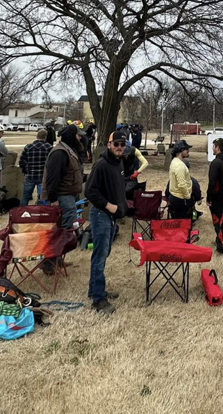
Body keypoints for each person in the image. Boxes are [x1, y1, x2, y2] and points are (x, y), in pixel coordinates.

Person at [85, 130, 129, 314]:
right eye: (116, 144)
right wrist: (109, 206)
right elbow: (90, 192)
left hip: (111, 216)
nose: (119, 147)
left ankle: (94, 289)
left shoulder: (119, 163)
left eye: (122, 144)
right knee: (100, 255)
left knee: (105, 252)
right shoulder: (101, 165)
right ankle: (98, 300)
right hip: (101, 214)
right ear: (109, 145)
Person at [43, 127, 84, 230]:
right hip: (63, 196)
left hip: (69, 195)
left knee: (69, 224)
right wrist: (53, 199)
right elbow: (52, 178)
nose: (80, 138)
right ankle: (63, 244)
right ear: (72, 136)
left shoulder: (69, 151)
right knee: (66, 227)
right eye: (78, 136)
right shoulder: (59, 153)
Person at [19, 129, 52, 205]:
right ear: (45, 137)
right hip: (43, 176)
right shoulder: (49, 147)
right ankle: (42, 212)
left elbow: (21, 161)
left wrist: (25, 171)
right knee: (43, 197)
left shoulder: (28, 147)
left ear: (37, 136)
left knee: (25, 197)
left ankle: (21, 212)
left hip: (30, 175)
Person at [167, 139, 193, 219]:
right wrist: (187, 197)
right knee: (182, 225)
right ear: (181, 150)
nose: (188, 151)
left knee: (177, 224)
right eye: (186, 149)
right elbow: (182, 185)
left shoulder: (174, 161)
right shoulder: (180, 166)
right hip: (180, 199)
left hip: (175, 197)